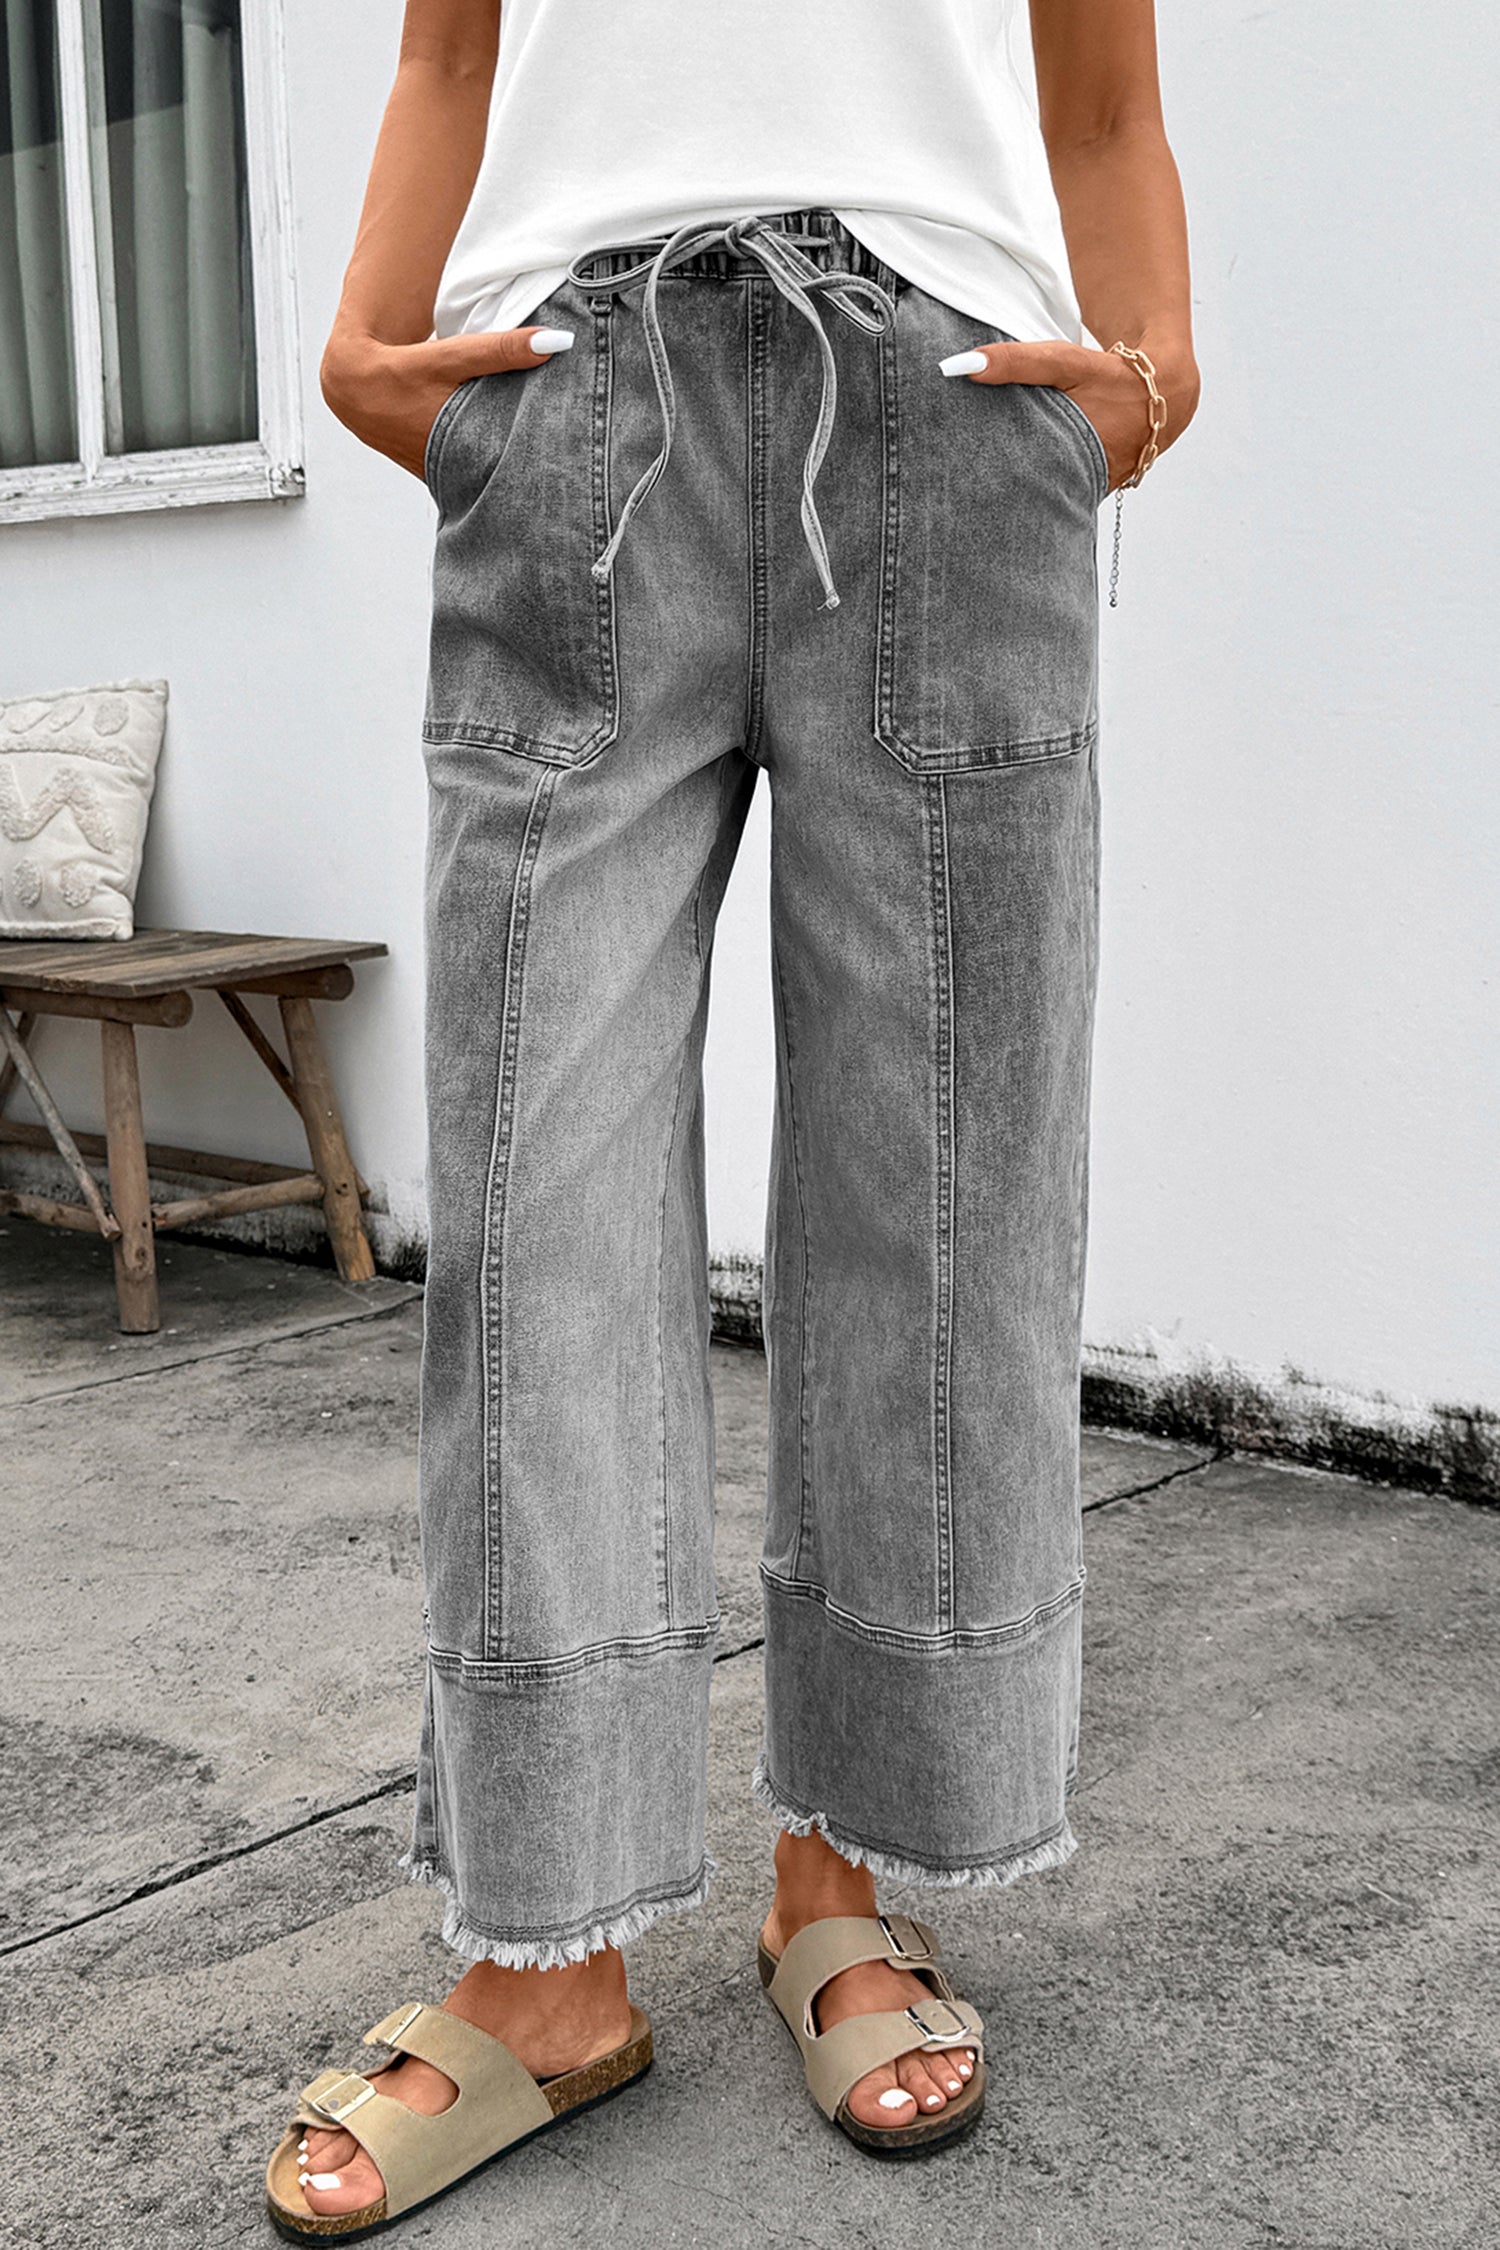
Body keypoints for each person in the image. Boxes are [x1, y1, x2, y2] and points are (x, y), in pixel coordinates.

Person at [265, 0, 1198, 2232]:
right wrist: (368, 349)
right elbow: (451, 50)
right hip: (574, 399)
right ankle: (546, 1956)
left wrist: (1155, 366)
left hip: (957, 406)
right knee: (537, 1194)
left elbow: (1099, 86)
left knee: (939, 1190)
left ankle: (839, 1880)